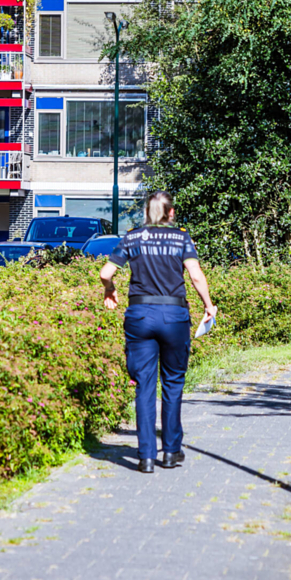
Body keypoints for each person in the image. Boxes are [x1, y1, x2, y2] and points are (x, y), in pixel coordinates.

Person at [99, 192, 217, 473]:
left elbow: (106, 272)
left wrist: (110, 289)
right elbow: (196, 275)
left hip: (139, 316)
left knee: (144, 386)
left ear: (146, 213)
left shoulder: (132, 237)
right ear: (171, 213)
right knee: (173, 384)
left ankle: (146, 457)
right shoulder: (181, 238)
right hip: (174, 317)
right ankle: (171, 452)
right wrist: (208, 305)